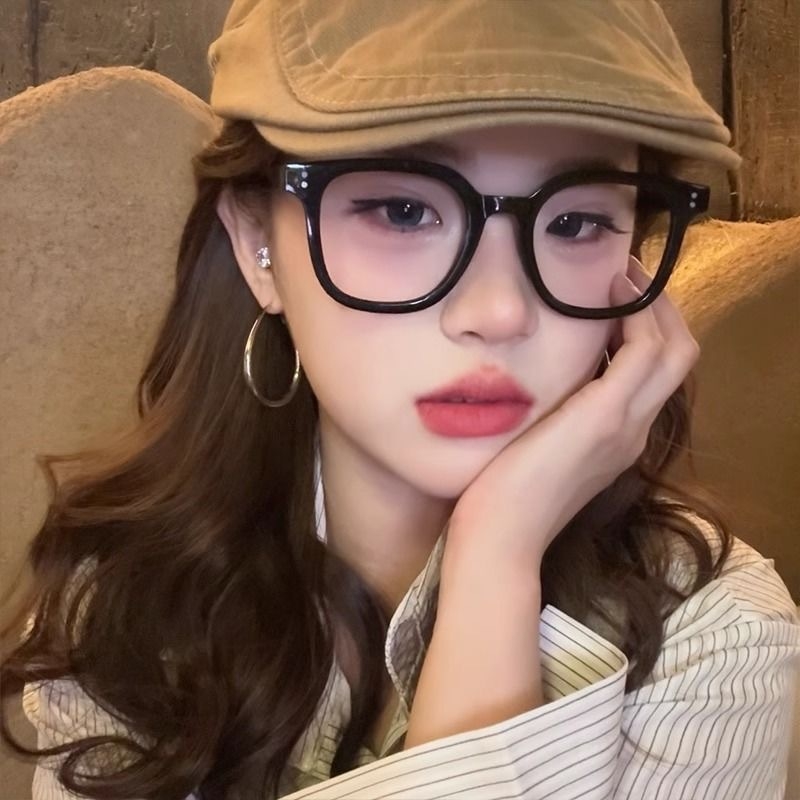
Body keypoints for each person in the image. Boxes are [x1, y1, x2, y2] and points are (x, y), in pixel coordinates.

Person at [1, 1, 798, 798]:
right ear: (257, 244)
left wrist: (496, 556)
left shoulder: (714, 635)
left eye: (577, 221)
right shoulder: (128, 609)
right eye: (403, 209)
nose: (499, 311)